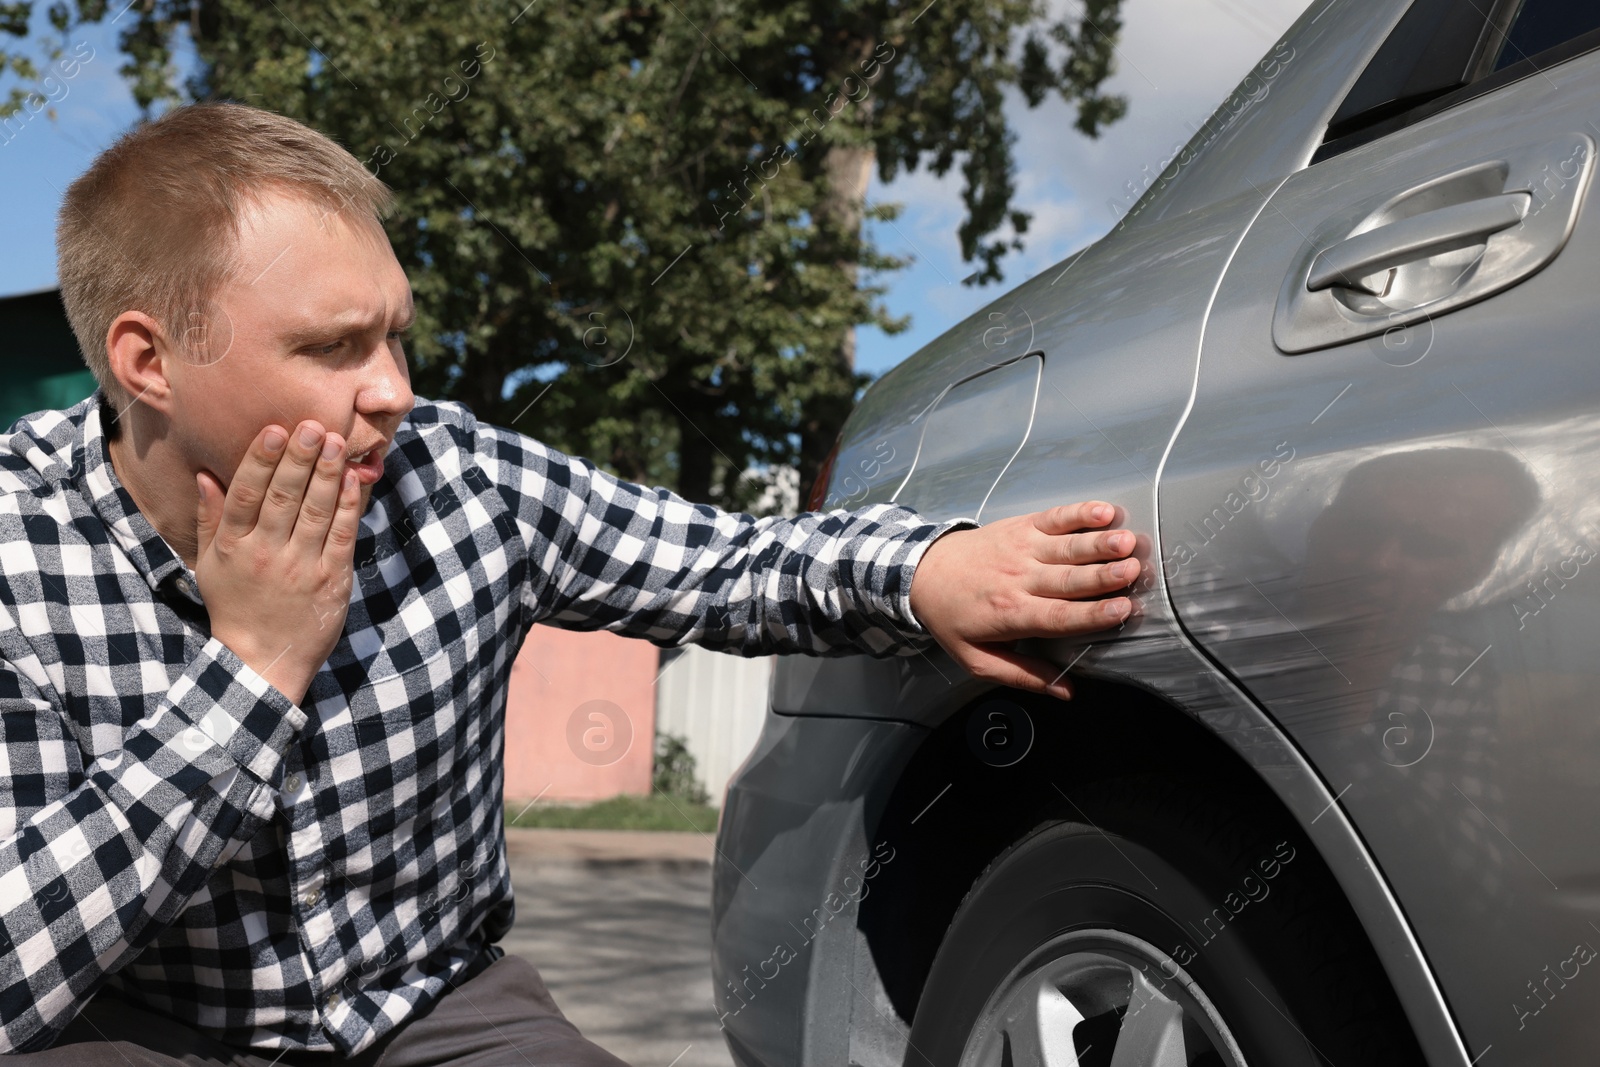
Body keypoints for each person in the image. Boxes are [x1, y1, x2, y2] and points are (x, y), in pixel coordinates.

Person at [0, 102, 1140, 1064]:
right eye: (333, 347)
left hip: (434, 1011)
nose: (393, 390)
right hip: (142, 1027)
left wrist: (925, 569)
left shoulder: (454, 475)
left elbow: (723, 562)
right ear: (149, 361)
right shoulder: (18, 553)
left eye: (398, 337)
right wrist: (254, 667)